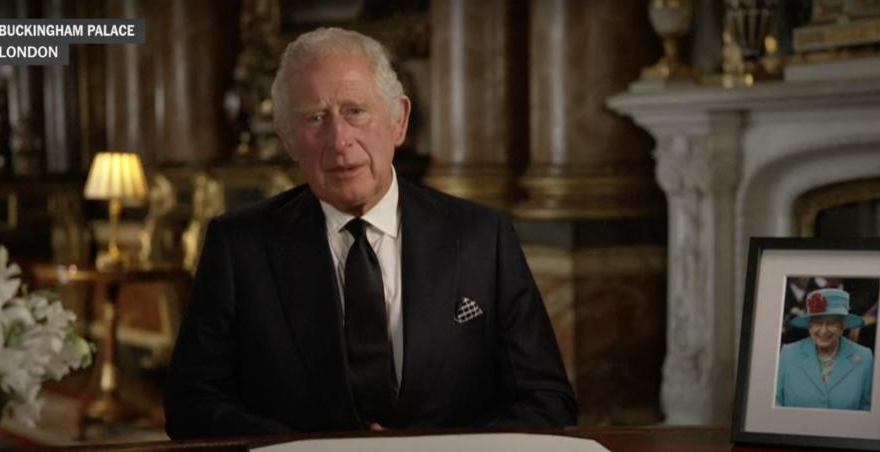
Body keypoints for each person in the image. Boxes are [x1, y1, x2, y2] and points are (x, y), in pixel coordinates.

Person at [164, 27, 576, 438]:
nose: (340, 139)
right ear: (288, 138)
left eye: (356, 111)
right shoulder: (239, 246)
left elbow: (547, 399)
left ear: (399, 121)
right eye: (315, 118)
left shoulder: (483, 237)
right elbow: (191, 404)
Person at [776, 288, 873, 410]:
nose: (823, 330)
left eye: (831, 323)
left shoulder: (864, 357)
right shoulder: (788, 354)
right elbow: (776, 403)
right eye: (817, 323)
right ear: (809, 326)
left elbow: (868, 410)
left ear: (842, 325)